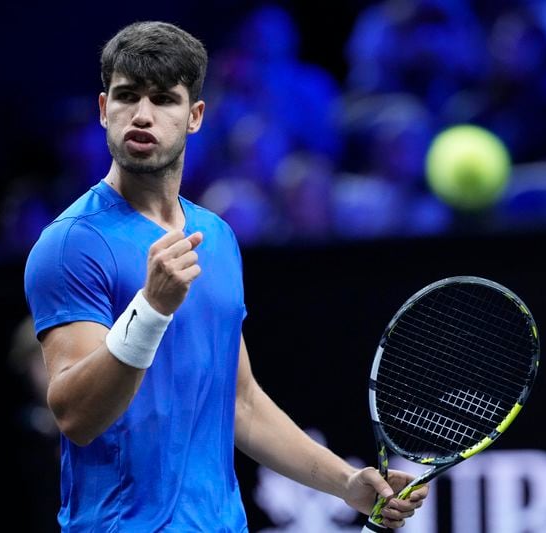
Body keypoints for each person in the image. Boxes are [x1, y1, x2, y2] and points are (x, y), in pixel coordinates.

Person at [23, 20, 428, 531]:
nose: (142, 116)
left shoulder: (216, 237)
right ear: (105, 110)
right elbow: (75, 416)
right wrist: (150, 309)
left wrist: (344, 483)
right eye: (127, 97)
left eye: (164, 100)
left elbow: (240, 403)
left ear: (194, 117)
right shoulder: (70, 244)